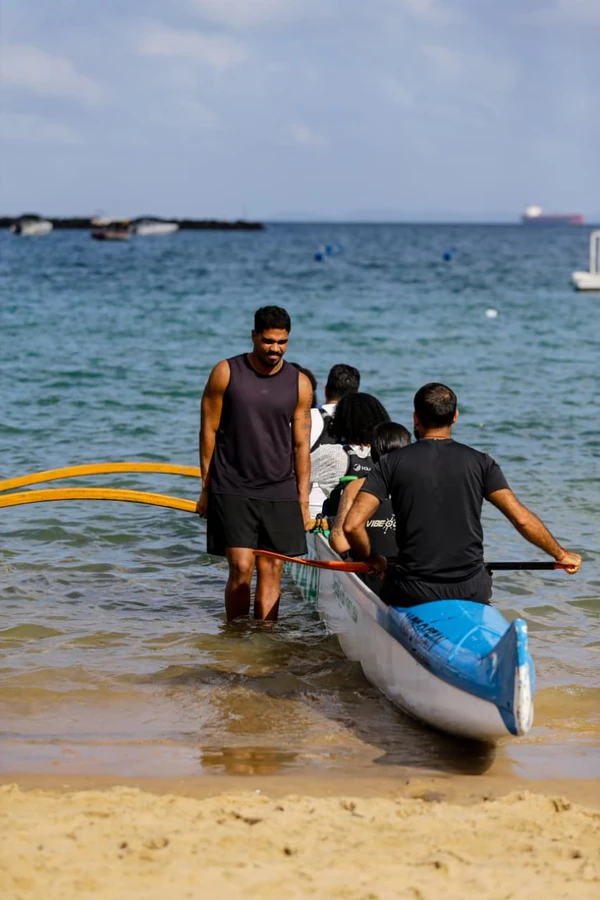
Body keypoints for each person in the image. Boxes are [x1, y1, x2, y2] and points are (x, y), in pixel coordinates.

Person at [343, 382, 581, 606]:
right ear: (455, 417)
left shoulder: (390, 463)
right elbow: (521, 519)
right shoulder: (481, 463)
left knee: (387, 589)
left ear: (416, 418)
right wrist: (561, 554)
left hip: (413, 591)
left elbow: (352, 525)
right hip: (471, 589)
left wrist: (372, 559)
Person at [198, 306, 313, 621]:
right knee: (241, 567)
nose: (275, 348)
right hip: (232, 484)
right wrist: (206, 488)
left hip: (279, 487)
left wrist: (303, 502)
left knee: (272, 569)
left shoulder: (300, 383)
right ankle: (235, 637)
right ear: (253, 336)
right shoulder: (226, 372)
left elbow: (301, 445)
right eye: (268, 341)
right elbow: (208, 431)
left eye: (282, 342)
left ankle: (265, 639)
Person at [329, 421, 411, 560]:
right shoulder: (419, 484)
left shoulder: (356, 487)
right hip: (410, 566)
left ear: (373, 452)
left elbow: (340, 543)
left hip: (369, 567)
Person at [323, 392, 391, 521]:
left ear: (341, 421)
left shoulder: (332, 453)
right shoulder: (390, 456)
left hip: (338, 525)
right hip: (382, 526)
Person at [309, 363, 361, 510]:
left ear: (325, 390)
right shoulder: (363, 423)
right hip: (351, 508)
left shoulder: (307, 418)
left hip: (310, 507)